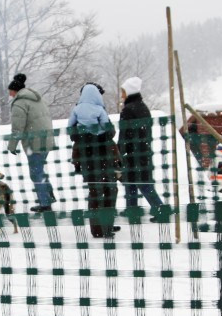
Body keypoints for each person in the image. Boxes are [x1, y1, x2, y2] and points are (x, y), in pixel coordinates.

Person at [68, 82, 120, 238]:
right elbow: (111, 132)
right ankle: (107, 226)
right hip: (105, 160)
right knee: (110, 191)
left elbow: (71, 134)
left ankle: (97, 229)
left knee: (94, 193)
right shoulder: (100, 110)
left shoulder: (76, 112)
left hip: (87, 163)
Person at [117, 76, 168, 221]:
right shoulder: (143, 107)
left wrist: (120, 152)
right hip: (143, 151)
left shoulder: (128, 110)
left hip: (132, 153)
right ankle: (132, 209)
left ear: (128, 92)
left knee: (139, 183)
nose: (122, 95)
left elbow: (124, 134)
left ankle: (160, 210)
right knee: (135, 182)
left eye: (123, 91)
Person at [7, 73, 57, 212]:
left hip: (33, 142)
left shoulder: (20, 102)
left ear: (14, 91)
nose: (10, 95)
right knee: (39, 170)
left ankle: (45, 203)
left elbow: (18, 127)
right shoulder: (37, 99)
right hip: (45, 139)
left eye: (10, 92)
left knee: (36, 173)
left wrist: (12, 146)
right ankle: (48, 196)